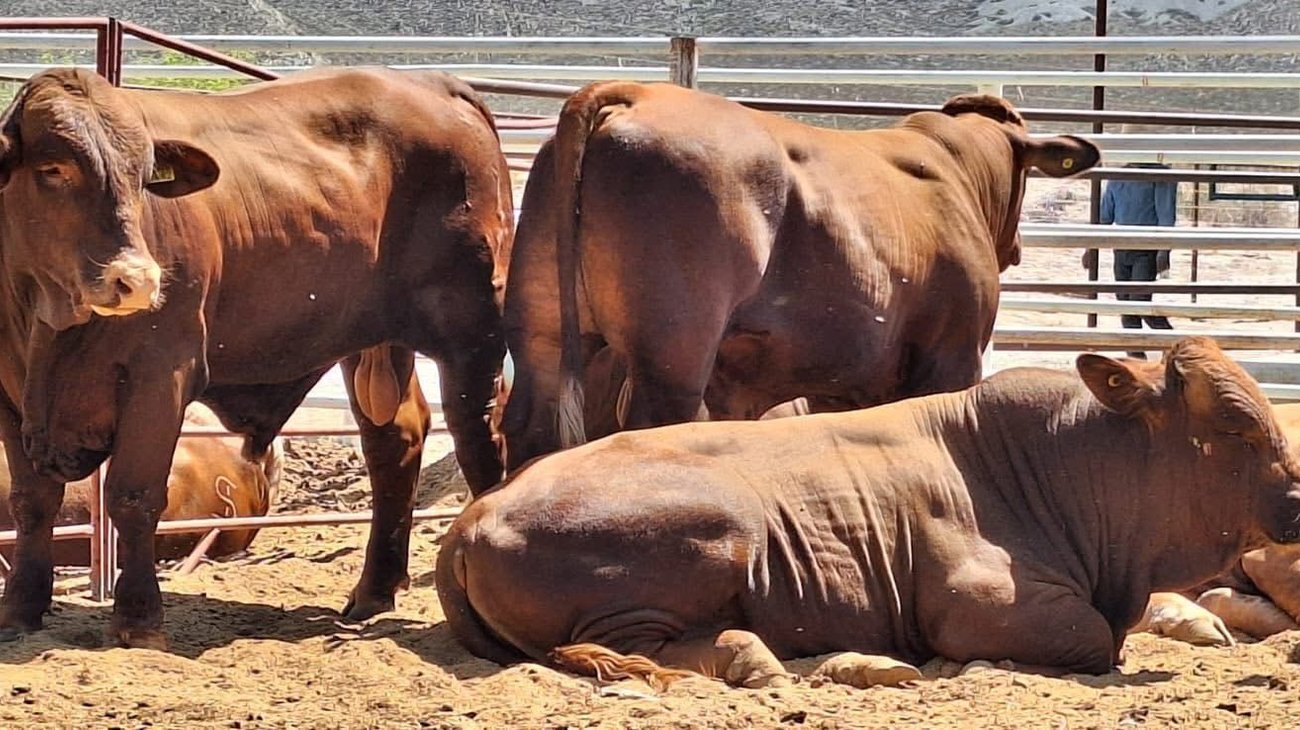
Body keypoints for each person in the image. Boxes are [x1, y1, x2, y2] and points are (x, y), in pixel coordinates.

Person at [1083, 157, 1179, 359]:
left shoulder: (1158, 177)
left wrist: (1164, 251)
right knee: (1126, 307)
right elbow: (1104, 217)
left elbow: (1165, 215)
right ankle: (1137, 359)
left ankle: (1175, 346)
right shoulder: (1117, 178)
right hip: (1121, 247)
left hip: (1146, 247)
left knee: (1140, 303)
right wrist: (1091, 247)